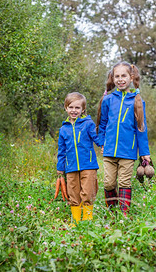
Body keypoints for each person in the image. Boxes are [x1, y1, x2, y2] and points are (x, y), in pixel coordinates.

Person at [96, 61, 151, 216]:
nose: (120, 79)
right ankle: (112, 212)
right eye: (117, 76)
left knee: (124, 183)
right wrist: (102, 142)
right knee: (109, 183)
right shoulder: (108, 100)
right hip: (109, 150)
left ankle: (123, 215)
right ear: (113, 79)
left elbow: (141, 130)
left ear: (131, 77)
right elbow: (102, 123)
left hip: (127, 151)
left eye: (124, 76)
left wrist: (144, 152)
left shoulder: (137, 101)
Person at [57, 92, 100, 225]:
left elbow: (96, 138)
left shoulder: (88, 124)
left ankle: (87, 220)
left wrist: (104, 144)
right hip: (71, 167)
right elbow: (61, 150)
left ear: (83, 110)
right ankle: (76, 221)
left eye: (77, 108)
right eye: (71, 107)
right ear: (66, 108)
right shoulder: (64, 129)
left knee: (87, 193)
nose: (74, 111)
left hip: (88, 165)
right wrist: (60, 168)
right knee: (73, 194)